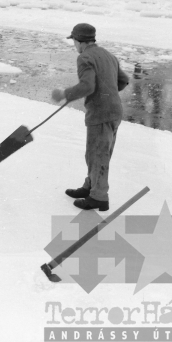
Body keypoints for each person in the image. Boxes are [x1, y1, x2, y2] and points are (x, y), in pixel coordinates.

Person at [51, 23, 129, 211]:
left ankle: (98, 196)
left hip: (101, 112)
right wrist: (108, 91)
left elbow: (87, 87)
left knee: (97, 154)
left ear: (79, 41)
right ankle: (90, 186)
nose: (74, 46)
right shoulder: (108, 55)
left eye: (74, 42)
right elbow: (124, 80)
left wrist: (64, 94)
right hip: (114, 110)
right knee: (97, 152)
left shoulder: (85, 58)